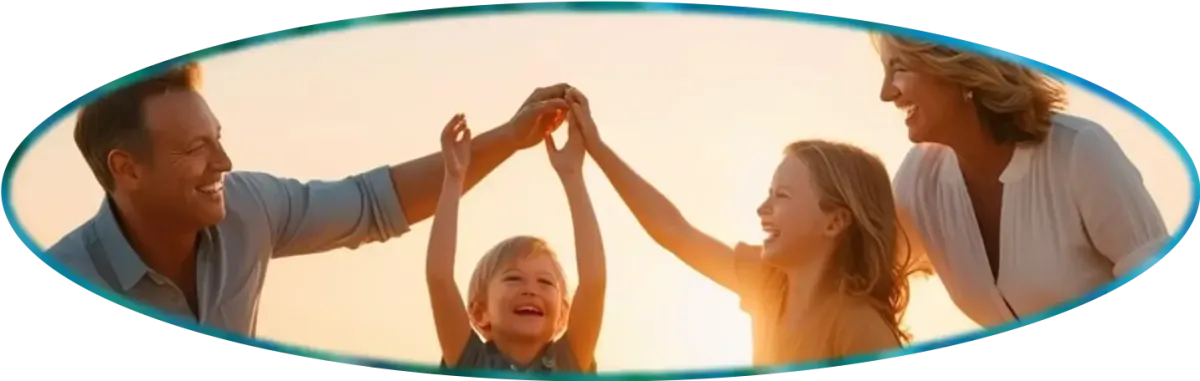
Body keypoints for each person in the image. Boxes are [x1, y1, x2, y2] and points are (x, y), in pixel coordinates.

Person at [44, 62, 571, 336]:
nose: (224, 163)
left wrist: (510, 136)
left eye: (219, 137)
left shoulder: (248, 207)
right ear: (126, 167)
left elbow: (372, 203)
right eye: (196, 148)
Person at [563, 88, 920, 368]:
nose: (763, 209)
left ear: (836, 221)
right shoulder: (767, 285)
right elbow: (673, 230)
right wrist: (596, 146)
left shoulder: (857, 327)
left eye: (782, 196)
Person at [873, 34, 1170, 327]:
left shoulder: (1078, 150)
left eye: (899, 69)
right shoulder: (920, 178)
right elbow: (864, 275)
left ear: (960, 68)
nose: (886, 94)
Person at [425, 110, 605, 376]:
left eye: (545, 282)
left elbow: (594, 283)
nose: (531, 290)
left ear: (563, 314)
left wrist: (572, 175)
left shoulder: (569, 362)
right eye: (513, 279)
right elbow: (439, 277)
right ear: (480, 311)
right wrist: (453, 180)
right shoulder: (470, 362)